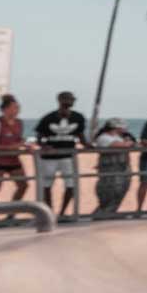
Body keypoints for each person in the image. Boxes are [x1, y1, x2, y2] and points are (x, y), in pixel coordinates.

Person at [33, 91, 89, 220]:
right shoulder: (49, 118)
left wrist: (87, 145)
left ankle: (63, 212)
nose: (70, 102)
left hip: (68, 156)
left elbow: (80, 135)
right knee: (46, 185)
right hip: (49, 158)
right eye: (67, 99)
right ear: (59, 100)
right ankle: (49, 213)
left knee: (71, 184)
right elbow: (39, 136)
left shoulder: (78, 117)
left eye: (71, 99)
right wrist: (44, 145)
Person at [0, 95, 31, 203]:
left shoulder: (19, 123)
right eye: (14, 108)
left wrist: (26, 145)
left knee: (23, 185)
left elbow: (18, 139)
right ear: (5, 109)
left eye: (18, 108)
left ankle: (11, 212)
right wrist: (7, 148)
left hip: (13, 160)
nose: (17, 110)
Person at [91, 118, 134, 218]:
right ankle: (101, 213)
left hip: (122, 166)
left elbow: (130, 144)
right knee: (110, 190)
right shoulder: (104, 137)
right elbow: (119, 145)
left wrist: (128, 142)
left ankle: (110, 212)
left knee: (121, 190)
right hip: (110, 167)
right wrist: (127, 143)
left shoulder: (120, 137)